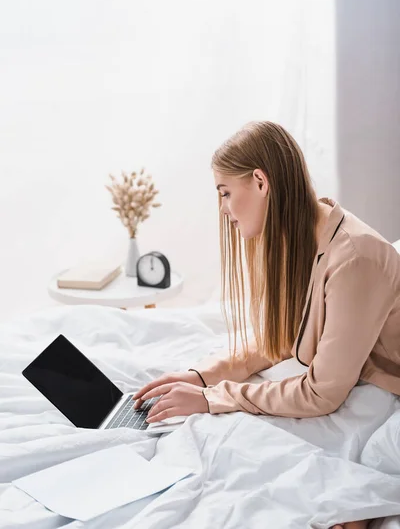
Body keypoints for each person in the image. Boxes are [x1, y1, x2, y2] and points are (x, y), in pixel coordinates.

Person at [133, 121, 400, 529]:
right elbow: (281, 335)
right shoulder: (303, 237)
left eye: (225, 193)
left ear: (260, 181)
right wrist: (202, 376)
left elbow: (320, 395)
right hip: (349, 380)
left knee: (240, 453)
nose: (223, 209)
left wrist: (213, 398)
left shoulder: (355, 258)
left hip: (381, 388)